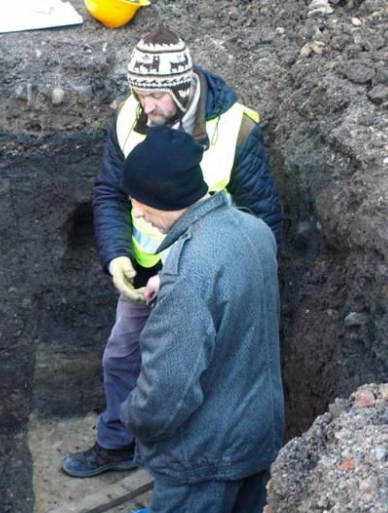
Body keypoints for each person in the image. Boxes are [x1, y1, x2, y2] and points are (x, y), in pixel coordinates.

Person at [62, 24, 282, 477]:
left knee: (194, 371)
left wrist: (198, 273)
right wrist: (116, 255)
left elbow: (260, 221)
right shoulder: (130, 116)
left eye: (156, 96)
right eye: (140, 93)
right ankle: (119, 445)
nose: (147, 106)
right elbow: (110, 191)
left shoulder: (236, 130)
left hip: (205, 281)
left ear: (183, 88)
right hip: (146, 275)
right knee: (122, 357)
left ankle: (189, 455)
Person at [122, 125, 284, 513]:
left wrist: (133, 417)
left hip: (204, 457)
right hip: (260, 435)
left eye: (136, 201)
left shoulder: (190, 270)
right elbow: (231, 298)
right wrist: (175, 288)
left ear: (156, 197)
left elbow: (166, 394)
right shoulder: (253, 231)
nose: (135, 211)